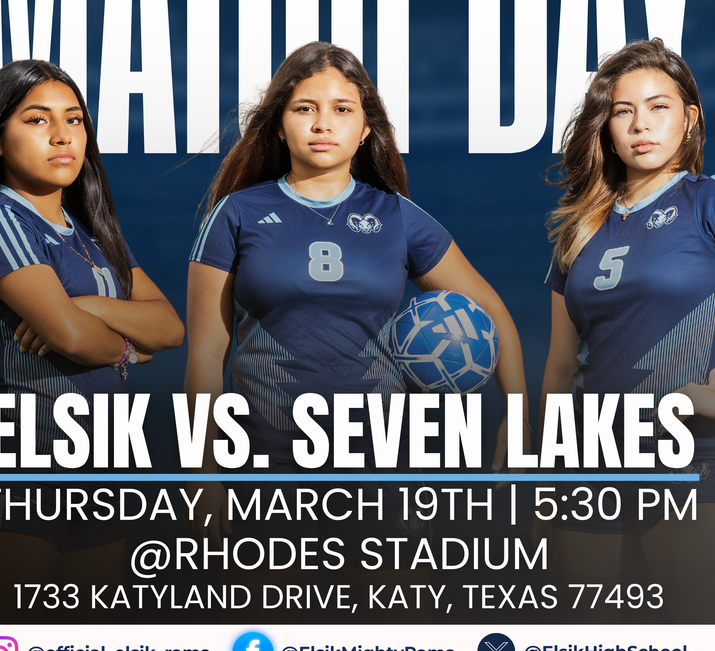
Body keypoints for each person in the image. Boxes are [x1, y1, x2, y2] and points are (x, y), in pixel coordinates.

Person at [185, 42, 529, 545]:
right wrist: (202, 471)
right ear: (279, 124)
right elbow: (205, 356)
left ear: (366, 128)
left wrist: (519, 423)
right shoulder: (237, 214)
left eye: (342, 110)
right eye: (305, 109)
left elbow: (491, 309)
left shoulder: (397, 217)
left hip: (383, 467)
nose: (323, 124)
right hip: (266, 463)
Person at [0, 60, 185, 620]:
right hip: (17, 460)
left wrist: (88, 305)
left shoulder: (92, 232)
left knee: (86, 650)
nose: (62, 135)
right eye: (37, 119)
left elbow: (170, 326)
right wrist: (126, 344)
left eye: (74, 119)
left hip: (101, 462)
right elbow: (73, 339)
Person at [542, 37, 715, 621]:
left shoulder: (709, 202)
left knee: (696, 642)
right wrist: (541, 463)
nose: (641, 124)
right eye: (624, 110)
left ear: (689, 118)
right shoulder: (579, 229)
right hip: (588, 459)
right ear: (606, 126)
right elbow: (561, 365)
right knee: (590, 644)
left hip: (690, 454)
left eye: (658, 107)